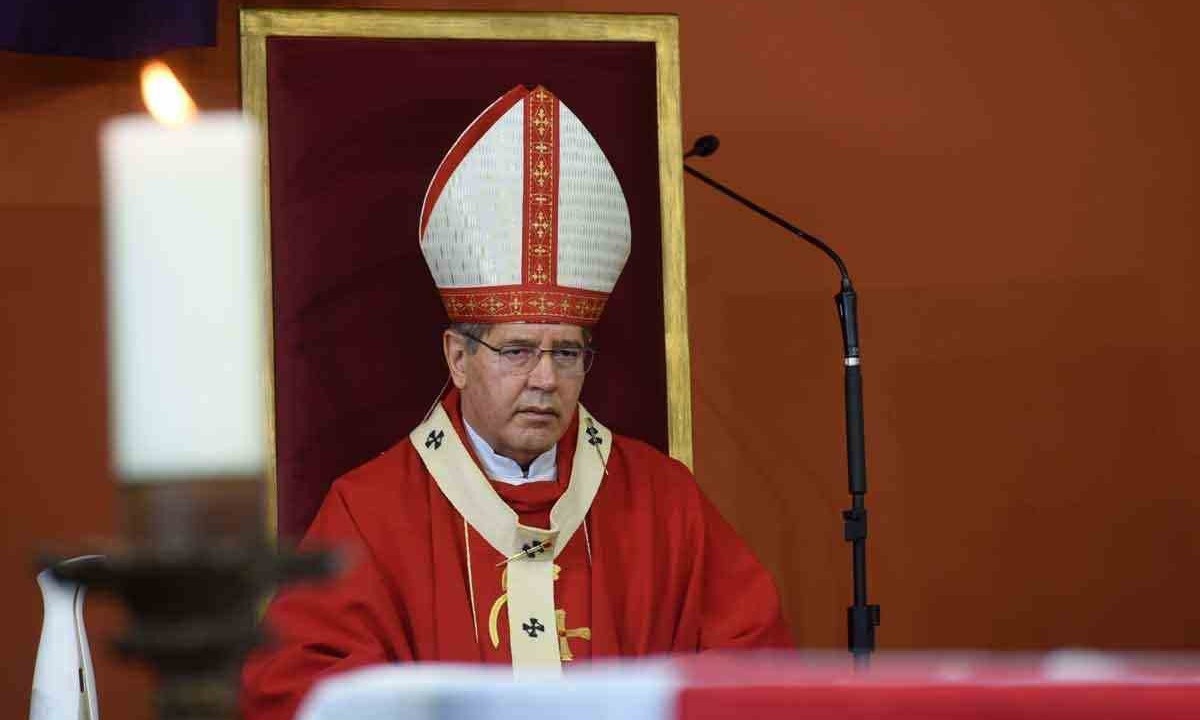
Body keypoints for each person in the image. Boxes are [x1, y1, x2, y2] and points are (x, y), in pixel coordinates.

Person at [240, 84, 792, 720]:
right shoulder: (369, 511)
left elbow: (750, 671)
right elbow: (300, 689)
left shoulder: (663, 502)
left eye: (567, 353)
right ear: (457, 358)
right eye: (517, 350)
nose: (544, 379)